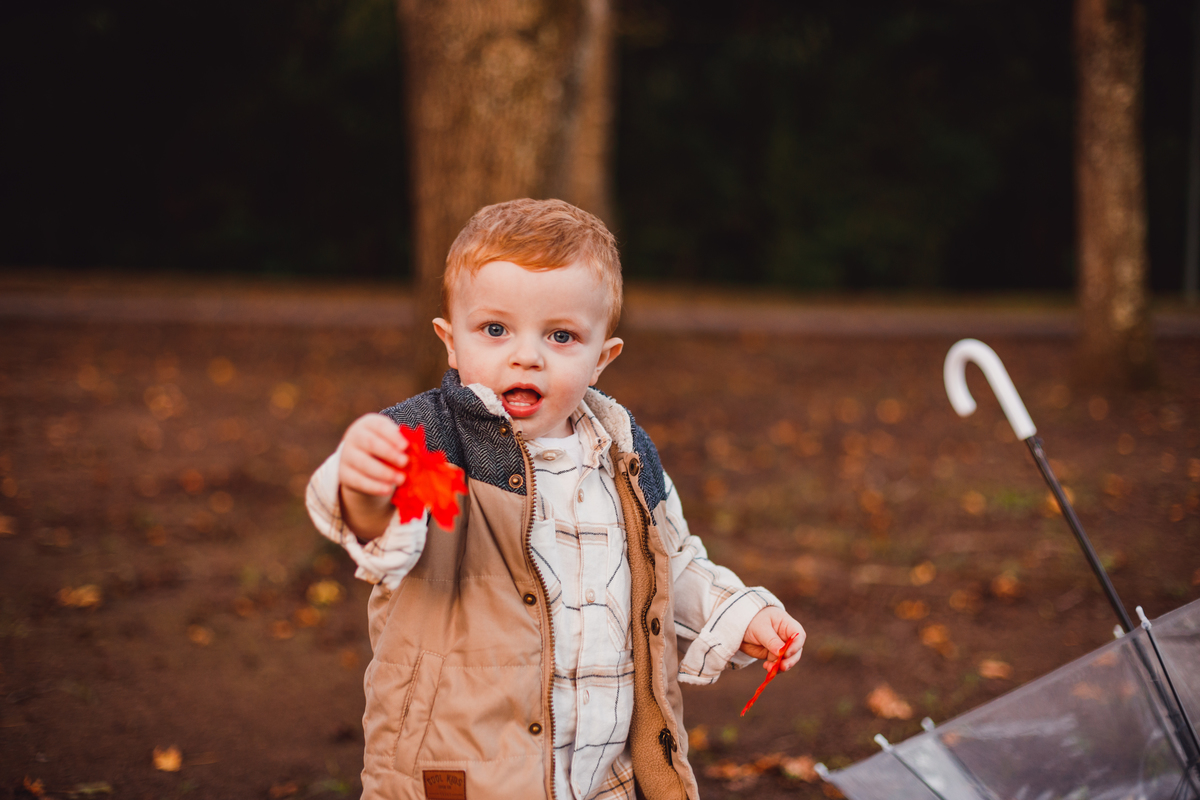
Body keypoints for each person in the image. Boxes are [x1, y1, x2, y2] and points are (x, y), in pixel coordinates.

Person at [306, 198, 805, 800]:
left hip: (607, 772)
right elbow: (377, 533)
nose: (526, 355)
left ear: (602, 358)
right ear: (449, 341)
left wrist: (740, 614)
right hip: (465, 772)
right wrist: (361, 484)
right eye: (495, 329)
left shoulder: (626, 453)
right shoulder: (431, 441)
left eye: (561, 336)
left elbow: (670, 563)